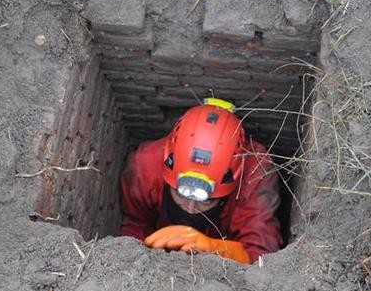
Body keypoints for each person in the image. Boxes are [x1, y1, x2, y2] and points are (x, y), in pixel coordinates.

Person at [120, 98, 283, 264]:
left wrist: (213, 248)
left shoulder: (254, 175)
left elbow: (262, 258)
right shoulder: (145, 165)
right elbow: (135, 223)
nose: (190, 209)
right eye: (180, 193)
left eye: (206, 201)